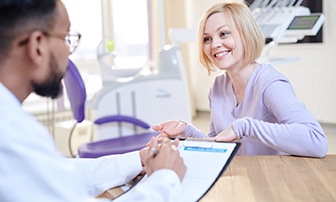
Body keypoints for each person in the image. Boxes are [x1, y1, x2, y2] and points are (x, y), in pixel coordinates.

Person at [0, 0, 186, 202]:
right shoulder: (10, 130)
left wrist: (136, 159)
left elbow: (58, 173)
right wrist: (166, 177)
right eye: (66, 38)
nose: (69, 51)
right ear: (37, 46)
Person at [152, 2, 328, 158]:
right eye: (207, 39)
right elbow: (217, 143)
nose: (214, 45)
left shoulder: (270, 84)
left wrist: (246, 126)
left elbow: (317, 141)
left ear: (246, 34)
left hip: (273, 180)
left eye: (224, 33)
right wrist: (186, 131)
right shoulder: (218, 87)